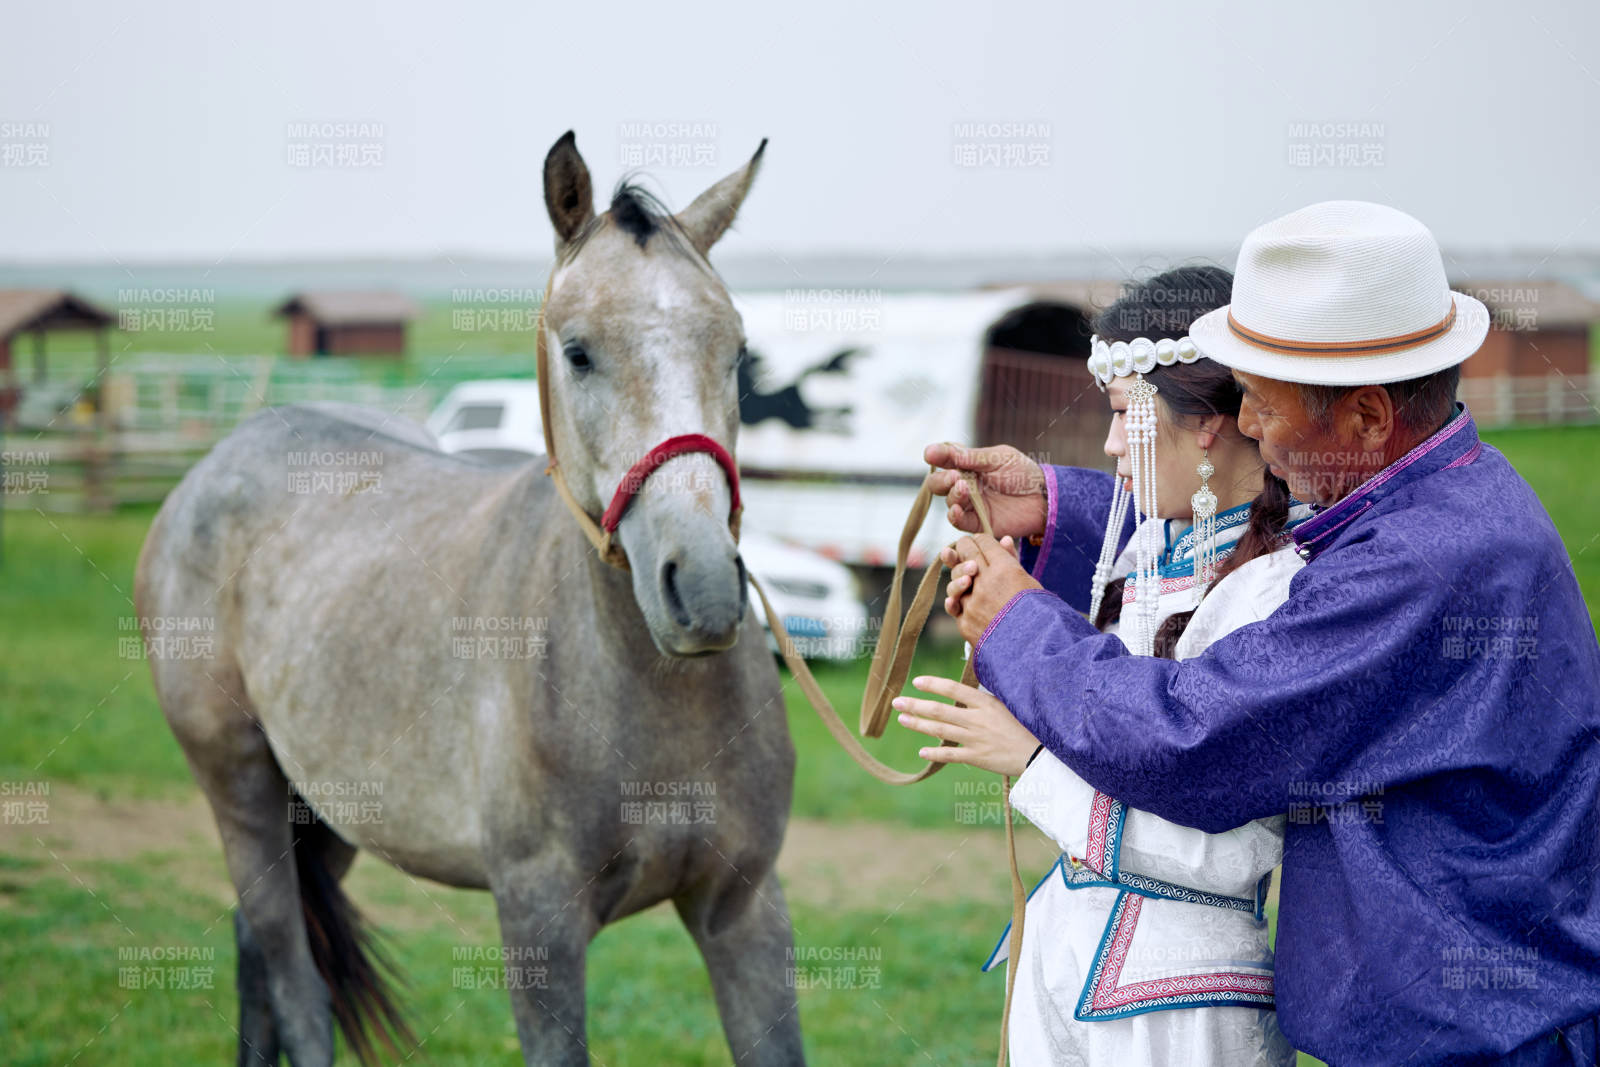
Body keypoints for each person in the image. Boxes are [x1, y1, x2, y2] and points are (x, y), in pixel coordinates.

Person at [911, 201, 1600, 1065]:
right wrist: (1059, 507)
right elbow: (1242, 533)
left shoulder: (1421, 561)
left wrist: (1016, 622)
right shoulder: (1438, 502)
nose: (1242, 423)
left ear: (1368, 418)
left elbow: (1197, 736)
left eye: (1266, 407)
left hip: (1486, 1040)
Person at [897, 266, 1309, 1065]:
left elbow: (1232, 854)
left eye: (1126, 417)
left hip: (1185, 1004)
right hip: (1064, 955)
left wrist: (1027, 759)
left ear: (1206, 425)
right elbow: (1109, 713)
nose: (1111, 445)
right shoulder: (1149, 550)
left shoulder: (1281, 592)